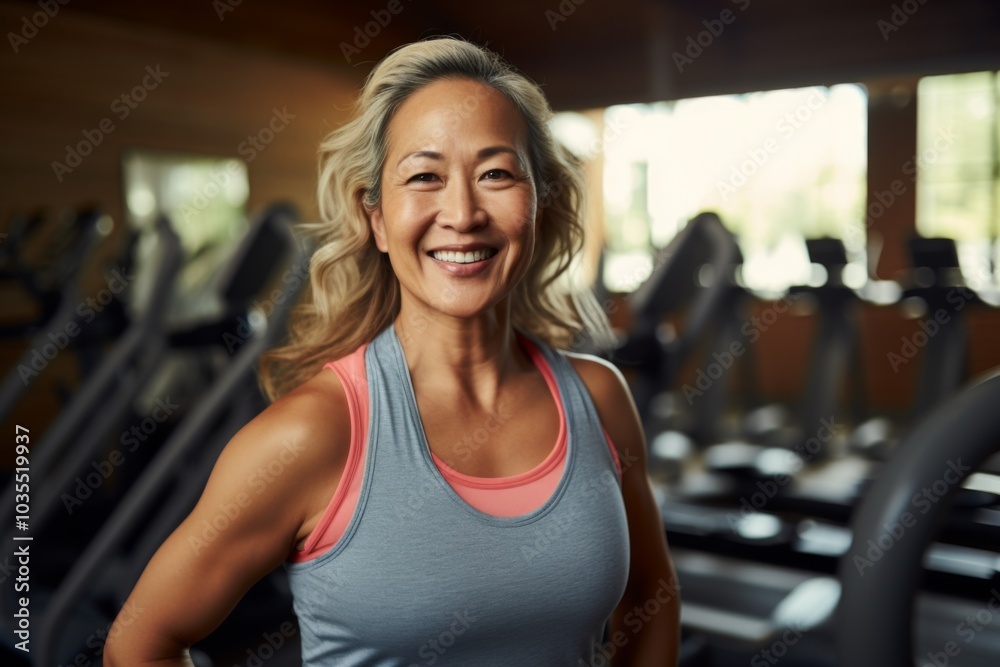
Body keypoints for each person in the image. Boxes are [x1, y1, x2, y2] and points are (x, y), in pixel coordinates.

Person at [104, 37, 680, 666]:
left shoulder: (600, 399)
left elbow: (652, 595)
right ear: (376, 218)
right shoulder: (311, 435)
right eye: (424, 177)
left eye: (495, 174)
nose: (461, 213)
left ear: (537, 203)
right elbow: (141, 645)